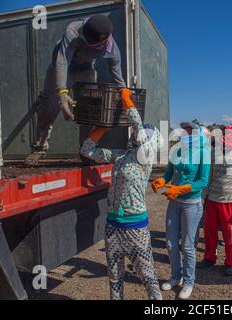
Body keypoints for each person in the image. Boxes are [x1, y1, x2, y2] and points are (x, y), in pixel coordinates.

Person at [80, 88, 163, 301]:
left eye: (142, 133)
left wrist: (127, 101)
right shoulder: (121, 156)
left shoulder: (145, 159)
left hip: (135, 228)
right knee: (114, 277)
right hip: (113, 226)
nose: (137, 134)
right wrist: (101, 128)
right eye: (137, 133)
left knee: (147, 276)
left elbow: (140, 131)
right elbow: (88, 151)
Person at [26, 15, 127, 165]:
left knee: (90, 108)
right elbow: (62, 61)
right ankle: (39, 148)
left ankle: (85, 150)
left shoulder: (111, 48)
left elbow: (117, 75)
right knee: (49, 107)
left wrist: (125, 94)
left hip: (85, 70)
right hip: (60, 68)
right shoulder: (73, 30)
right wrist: (62, 93)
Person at [151, 122, 211, 300]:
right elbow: (169, 174)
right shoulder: (176, 151)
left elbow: (202, 182)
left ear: (198, 134)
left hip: (191, 204)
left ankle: (189, 282)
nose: (187, 132)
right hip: (174, 203)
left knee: (187, 245)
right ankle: (176, 276)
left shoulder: (203, 153)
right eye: (185, 130)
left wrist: (180, 189)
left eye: (191, 130)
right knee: (170, 244)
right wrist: (161, 181)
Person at [197, 125, 232, 276]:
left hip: (231, 201)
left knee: (230, 235)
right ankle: (209, 258)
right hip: (212, 200)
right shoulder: (213, 153)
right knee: (209, 232)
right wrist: (203, 197)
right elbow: (209, 178)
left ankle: (231, 262)